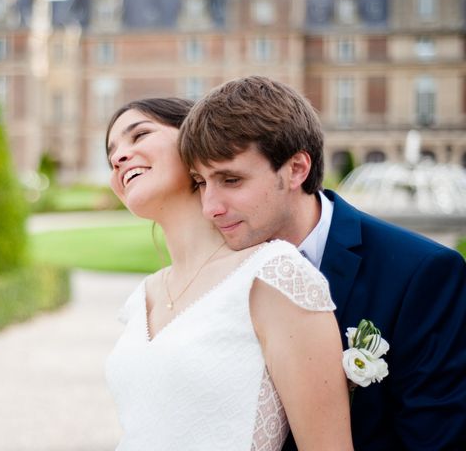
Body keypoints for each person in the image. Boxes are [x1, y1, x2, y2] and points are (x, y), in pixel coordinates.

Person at [178, 75, 466, 451]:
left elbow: (435, 440)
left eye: (231, 179)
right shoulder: (210, 271)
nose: (209, 207)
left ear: (297, 168)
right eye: (200, 182)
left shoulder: (423, 274)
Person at [104, 97, 353, 451]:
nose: (118, 157)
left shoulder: (273, 274)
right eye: (111, 153)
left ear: (197, 141)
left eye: (139, 135)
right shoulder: (141, 298)